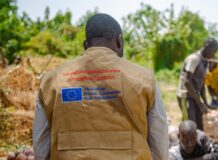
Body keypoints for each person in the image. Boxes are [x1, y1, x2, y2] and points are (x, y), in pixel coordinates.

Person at [32, 14, 168, 160]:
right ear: (120, 41)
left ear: (85, 45)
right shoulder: (144, 79)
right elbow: (159, 144)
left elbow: (40, 147)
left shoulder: (51, 81)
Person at [176, 38, 218, 130]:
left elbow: (202, 84)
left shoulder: (205, 62)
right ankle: (183, 142)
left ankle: (197, 144)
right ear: (207, 47)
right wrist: (200, 103)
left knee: (200, 124)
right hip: (185, 96)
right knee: (190, 125)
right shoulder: (194, 59)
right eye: (214, 51)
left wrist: (206, 103)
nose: (214, 54)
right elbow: (187, 82)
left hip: (194, 96)